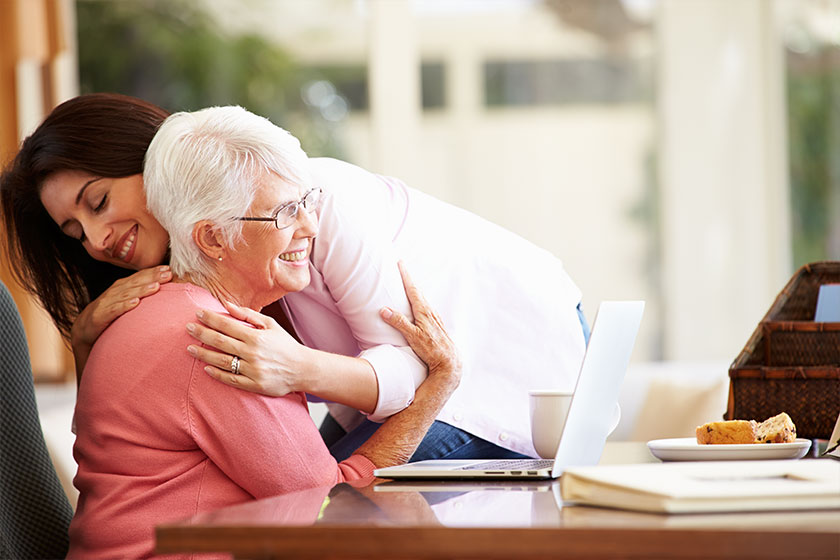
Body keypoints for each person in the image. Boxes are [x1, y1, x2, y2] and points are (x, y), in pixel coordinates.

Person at [1, 94, 587, 461]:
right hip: (407, 391)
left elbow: (409, 369)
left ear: (151, 160)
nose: (98, 240)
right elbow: (107, 442)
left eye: (98, 202)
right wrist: (83, 341)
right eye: (76, 233)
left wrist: (296, 368)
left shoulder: (304, 203)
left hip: (506, 363)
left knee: (336, 503)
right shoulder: (185, 286)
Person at [63, 105, 462, 558]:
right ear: (213, 238)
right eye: (286, 213)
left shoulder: (168, 311)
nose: (310, 227)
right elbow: (332, 508)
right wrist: (439, 384)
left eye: (308, 202)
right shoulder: (215, 338)